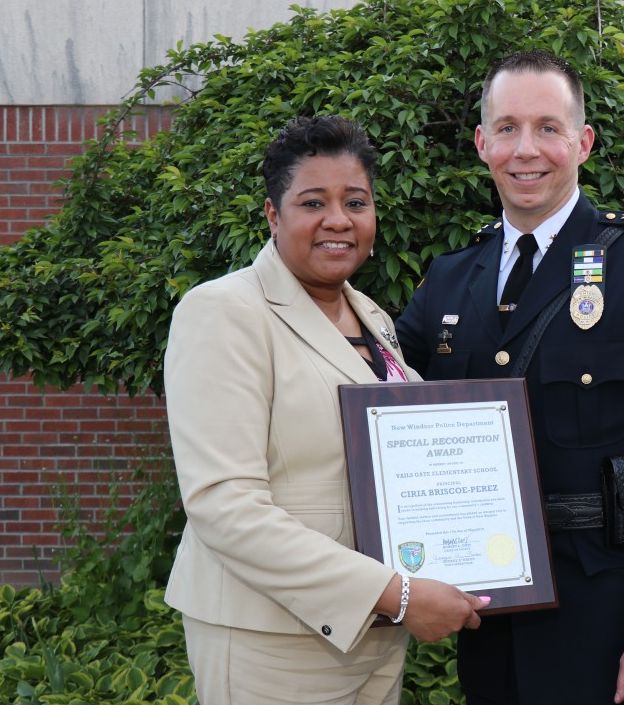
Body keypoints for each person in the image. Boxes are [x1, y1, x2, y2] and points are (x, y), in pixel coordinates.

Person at [395, 51, 624, 705]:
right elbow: (377, 389)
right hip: (488, 618)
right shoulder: (448, 278)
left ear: (582, 142)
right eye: (507, 128)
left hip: (609, 619)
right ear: (481, 143)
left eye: (548, 128)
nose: (527, 149)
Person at [163, 115, 489, 705]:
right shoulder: (223, 313)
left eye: (355, 202)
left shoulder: (372, 317)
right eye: (313, 201)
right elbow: (224, 504)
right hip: (271, 641)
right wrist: (400, 594)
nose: (338, 220)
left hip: (374, 639)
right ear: (272, 214)